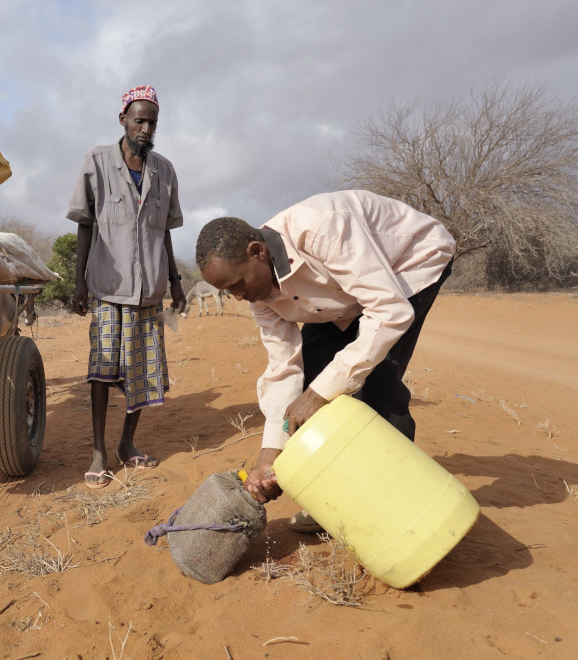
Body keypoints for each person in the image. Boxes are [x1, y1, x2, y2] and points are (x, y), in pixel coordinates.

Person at [195, 190, 455, 531]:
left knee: (376, 379)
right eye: (230, 292)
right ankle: (339, 494)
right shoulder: (257, 294)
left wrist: (319, 395)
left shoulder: (322, 228)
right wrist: (269, 457)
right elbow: (283, 366)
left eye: (239, 284)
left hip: (410, 262)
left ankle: (394, 509)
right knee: (314, 374)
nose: (239, 296)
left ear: (257, 252)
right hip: (350, 293)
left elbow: (388, 311)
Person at [67, 84, 187, 489]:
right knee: (101, 372)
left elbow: (164, 232)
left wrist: (176, 280)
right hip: (106, 286)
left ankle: (127, 444)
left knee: (143, 373)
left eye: (152, 121)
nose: (146, 128)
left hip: (149, 291)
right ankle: (99, 452)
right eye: (139, 119)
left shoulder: (165, 171)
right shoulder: (97, 162)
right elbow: (86, 224)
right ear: (123, 119)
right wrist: (79, 281)